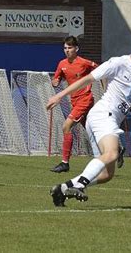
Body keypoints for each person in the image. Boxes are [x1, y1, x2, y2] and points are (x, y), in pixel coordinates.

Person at [46, 31, 131, 206]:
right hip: (103, 114)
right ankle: (80, 186)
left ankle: (62, 189)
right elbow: (87, 79)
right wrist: (59, 96)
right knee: (112, 153)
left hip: (108, 119)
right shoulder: (117, 63)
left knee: (106, 175)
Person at [50, 36, 98, 173]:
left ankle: (65, 163)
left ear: (76, 49)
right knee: (92, 129)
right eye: (65, 48)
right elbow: (56, 77)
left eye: (70, 48)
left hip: (85, 99)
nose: (67, 50)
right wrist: (55, 81)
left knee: (66, 126)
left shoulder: (84, 63)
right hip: (74, 101)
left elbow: (101, 71)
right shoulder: (62, 64)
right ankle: (117, 150)